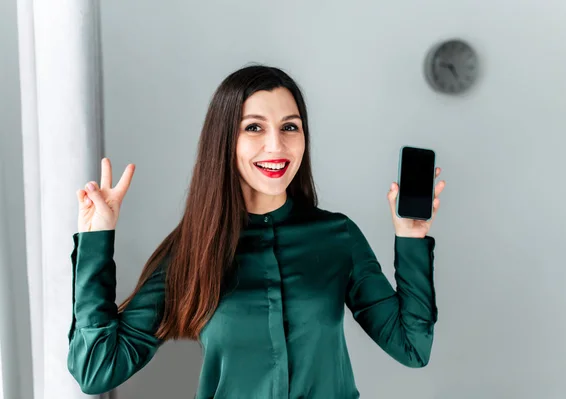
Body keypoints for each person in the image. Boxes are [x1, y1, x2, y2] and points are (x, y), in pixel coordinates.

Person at [68, 65, 445, 399]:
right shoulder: (192, 251)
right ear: (225, 141)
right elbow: (97, 371)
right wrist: (96, 241)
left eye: (290, 127)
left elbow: (411, 347)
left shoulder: (337, 237)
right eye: (254, 127)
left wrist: (411, 238)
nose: (276, 145)